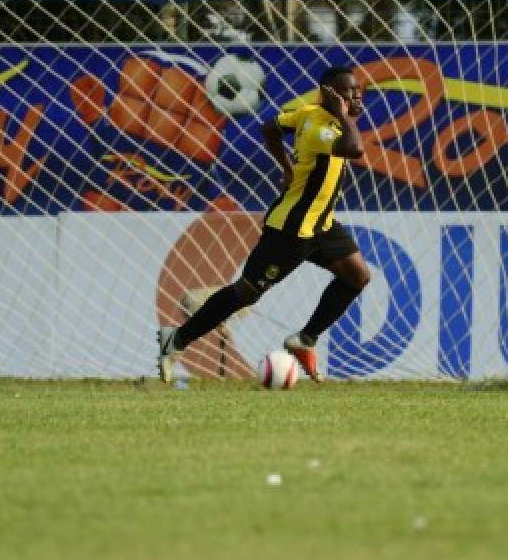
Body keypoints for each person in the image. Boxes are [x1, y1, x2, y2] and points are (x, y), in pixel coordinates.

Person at [156, 66, 371, 383]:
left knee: (357, 276)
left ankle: (305, 340)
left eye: (359, 93)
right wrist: (343, 114)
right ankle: (175, 339)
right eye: (349, 93)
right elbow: (355, 149)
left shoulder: (305, 113)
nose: (357, 99)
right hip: (291, 230)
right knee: (247, 293)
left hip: (321, 224)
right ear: (329, 93)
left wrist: (286, 167)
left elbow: (270, 128)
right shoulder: (320, 128)